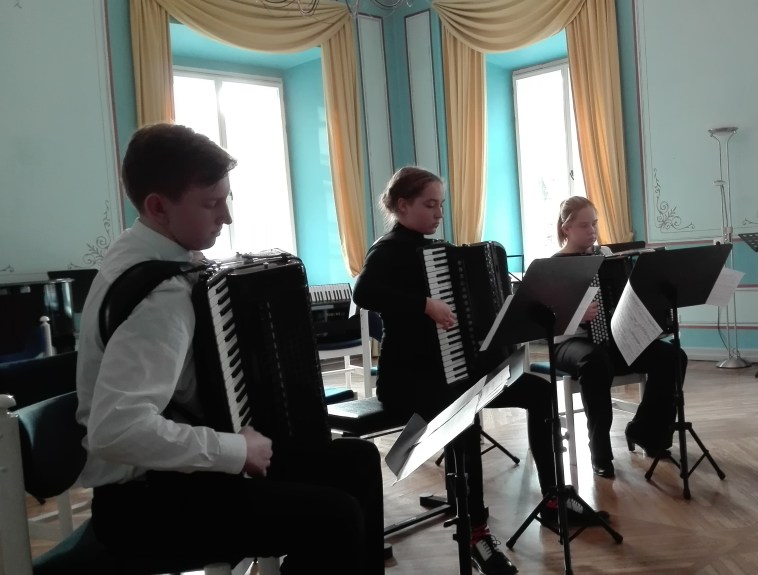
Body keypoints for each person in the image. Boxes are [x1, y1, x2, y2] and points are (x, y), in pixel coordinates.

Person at [76, 123, 384, 574]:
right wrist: (234, 450)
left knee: (356, 460)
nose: (227, 217)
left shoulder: (146, 253)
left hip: (176, 478)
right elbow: (115, 430)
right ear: (158, 207)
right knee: (334, 516)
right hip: (143, 504)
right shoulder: (159, 297)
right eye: (211, 203)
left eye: (227, 199)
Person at [353, 166, 594, 575]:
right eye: (430, 205)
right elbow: (364, 291)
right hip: (408, 378)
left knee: (538, 392)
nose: (439, 213)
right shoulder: (388, 249)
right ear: (402, 206)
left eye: (441, 204)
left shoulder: (440, 251)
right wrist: (425, 305)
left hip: (458, 372)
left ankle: (552, 498)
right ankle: (475, 532)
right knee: (463, 415)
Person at [551, 196, 683, 479]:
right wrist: (575, 314)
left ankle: (646, 432)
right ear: (566, 228)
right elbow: (545, 323)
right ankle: (599, 450)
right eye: (584, 225)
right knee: (596, 361)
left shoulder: (607, 255)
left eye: (594, 224)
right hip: (568, 343)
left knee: (672, 356)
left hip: (612, 341)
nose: (592, 231)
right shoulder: (554, 265)